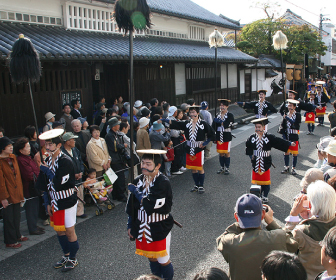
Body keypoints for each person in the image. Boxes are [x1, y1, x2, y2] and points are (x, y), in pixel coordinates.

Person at [217, 193, 298, 280]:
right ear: (263, 214)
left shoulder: (229, 242)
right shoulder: (279, 237)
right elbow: (294, 245)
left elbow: (221, 239)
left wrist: (241, 221)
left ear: (236, 217)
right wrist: (270, 221)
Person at [127, 149, 174, 280]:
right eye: (143, 163)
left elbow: (150, 204)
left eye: (148, 164)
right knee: (152, 257)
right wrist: (130, 225)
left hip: (159, 225)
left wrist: (136, 192)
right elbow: (131, 207)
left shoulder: (162, 182)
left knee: (163, 259)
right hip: (142, 225)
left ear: (158, 166)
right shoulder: (138, 180)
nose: (144, 166)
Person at [36, 129, 79, 272]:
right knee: (59, 231)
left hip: (67, 200)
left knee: (69, 230)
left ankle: (73, 258)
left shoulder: (65, 161)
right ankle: (66, 255)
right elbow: (44, 185)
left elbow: (58, 182)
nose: (47, 148)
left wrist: (46, 170)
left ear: (58, 145)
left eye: (50, 145)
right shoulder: (48, 160)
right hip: (54, 201)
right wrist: (47, 202)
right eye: (46, 145)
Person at [285, 181, 336, 280]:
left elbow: (283, 243)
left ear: (311, 205)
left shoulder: (301, 231)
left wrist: (293, 216)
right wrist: (311, 216)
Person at [163, 105, 215, 194]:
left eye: (194, 112)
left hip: (198, 148)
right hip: (189, 148)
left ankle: (201, 185)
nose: (192, 114)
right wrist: (164, 120)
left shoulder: (203, 123)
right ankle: (196, 184)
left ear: (198, 113)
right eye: (190, 112)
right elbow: (176, 123)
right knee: (193, 168)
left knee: (200, 167)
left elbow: (212, 134)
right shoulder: (187, 123)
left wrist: (205, 143)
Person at [246, 118, 294, 203]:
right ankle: (258, 195)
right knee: (257, 182)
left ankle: (265, 196)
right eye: (256, 127)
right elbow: (248, 146)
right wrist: (251, 156)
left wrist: (289, 143)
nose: (257, 129)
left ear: (263, 127)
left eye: (259, 127)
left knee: (266, 182)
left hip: (265, 162)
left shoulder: (269, 136)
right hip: (256, 162)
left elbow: (278, 141)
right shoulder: (252, 137)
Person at [0, 137, 27, 248]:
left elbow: (18, 177)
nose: (11, 147)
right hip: (7, 193)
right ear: (2, 148)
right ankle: (10, 240)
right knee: (9, 218)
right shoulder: (1, 161)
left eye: (11, 145)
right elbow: (1, 181)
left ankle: (17, 235)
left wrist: (21, 194)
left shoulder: (13, 158)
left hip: (16, 191)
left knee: (16, 216)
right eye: (8, 146)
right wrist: (3, 197)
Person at [15, 137, 44, 235]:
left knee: (35, 206)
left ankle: (34, 225)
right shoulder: (21, 160)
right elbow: (28, 174)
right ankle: (32, 228)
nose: (29, 148)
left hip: (35, 185)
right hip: (29, 186)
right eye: (27, 147)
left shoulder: (28, 157)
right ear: (21, 150)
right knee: (31, 208)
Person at [61, 132, 85, 219]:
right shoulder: (62, 153)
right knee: (71, 196)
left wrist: (81, 171)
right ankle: (72, 213)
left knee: (80, 194)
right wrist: (72, 175)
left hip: (79, 177)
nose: (74, 141)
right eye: (72, 140)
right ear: (67, 142)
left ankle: (80, 211)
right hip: (69, 180)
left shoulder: (75, 150)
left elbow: (81, 162)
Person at [105, 117, 127, 202]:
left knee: (118, 177)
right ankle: (120, 195)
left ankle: (117, 194)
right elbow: (115, 147)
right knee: (119, 177)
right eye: (117, 124)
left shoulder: (115, 134)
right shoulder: (109, 135)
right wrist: (123, 146)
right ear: (113, 126)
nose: (119, 125)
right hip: (115, 159)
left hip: (118, 158)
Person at [213, 99, 234, 175]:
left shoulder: (230, 115)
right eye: (221, 105)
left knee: (227, 152)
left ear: (227, 107)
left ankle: (227, 168)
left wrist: (219, 122)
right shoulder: (217, 115)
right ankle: (222, 167)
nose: (221, 107)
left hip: (226, 135)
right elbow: (214, 127)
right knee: (221, 153)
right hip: (219, 135)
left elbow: (227, 124)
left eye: (223, 105)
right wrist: (214, 137)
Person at [280, 100, 301, 175]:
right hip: (287, 135)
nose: (289, 107)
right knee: (286, 152)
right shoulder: (286, 114)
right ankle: (286, 167)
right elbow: (282, 125)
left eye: (291, 106)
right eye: (288, 106)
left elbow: (296, 125)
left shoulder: (297, 115)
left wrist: (287, 119)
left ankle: (293, 168)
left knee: (294, 153)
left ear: (294, 107)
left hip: (294, 135)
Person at [168, 106, 184, 175]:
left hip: (175, 138)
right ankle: (175, 169)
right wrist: (180, 132)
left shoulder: (172, 118)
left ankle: (178, 166)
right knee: (176, 153)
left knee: (178, 152)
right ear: (175, 112)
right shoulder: (171, 119)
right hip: (174, 138)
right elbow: (173, 133)